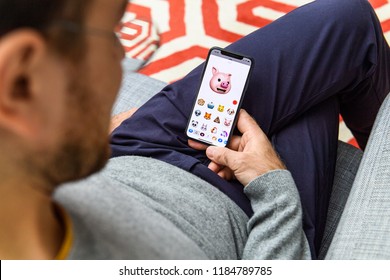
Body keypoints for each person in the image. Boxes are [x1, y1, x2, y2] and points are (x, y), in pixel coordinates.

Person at [0, 0, 387, 260]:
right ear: (21, 79)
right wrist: (272, 187)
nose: (121, 57)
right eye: (109, 35)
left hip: (136, 147)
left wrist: (84, 137)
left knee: (344, 20)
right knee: (327, 79)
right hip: (249, 209)